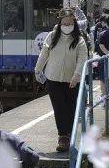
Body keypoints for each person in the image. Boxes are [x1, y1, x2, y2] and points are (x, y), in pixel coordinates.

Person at [34, 9, 89, 152]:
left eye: (70, 23)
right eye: (64, 23)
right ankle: (62, 137)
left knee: (70, 108)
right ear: (60, 23)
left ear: (74, 23)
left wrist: (76, 76)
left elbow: (82, 59)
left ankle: (69, 133)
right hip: (53, 78)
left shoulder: (79, 40)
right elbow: (44, 54)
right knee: (59, 108)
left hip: (72, 80)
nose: (67, 25)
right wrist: (37, 69)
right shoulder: (52, 37)